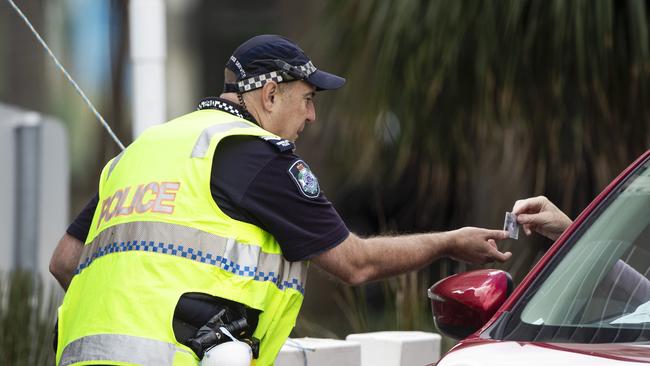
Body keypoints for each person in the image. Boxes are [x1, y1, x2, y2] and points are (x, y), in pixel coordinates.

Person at [50, 34, 511, 366]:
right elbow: (357, 263)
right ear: (270, 95)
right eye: (308, 99)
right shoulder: (257, 157)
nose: (311, 115)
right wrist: (450, 242)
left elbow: (64, 262)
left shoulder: (144, 149)